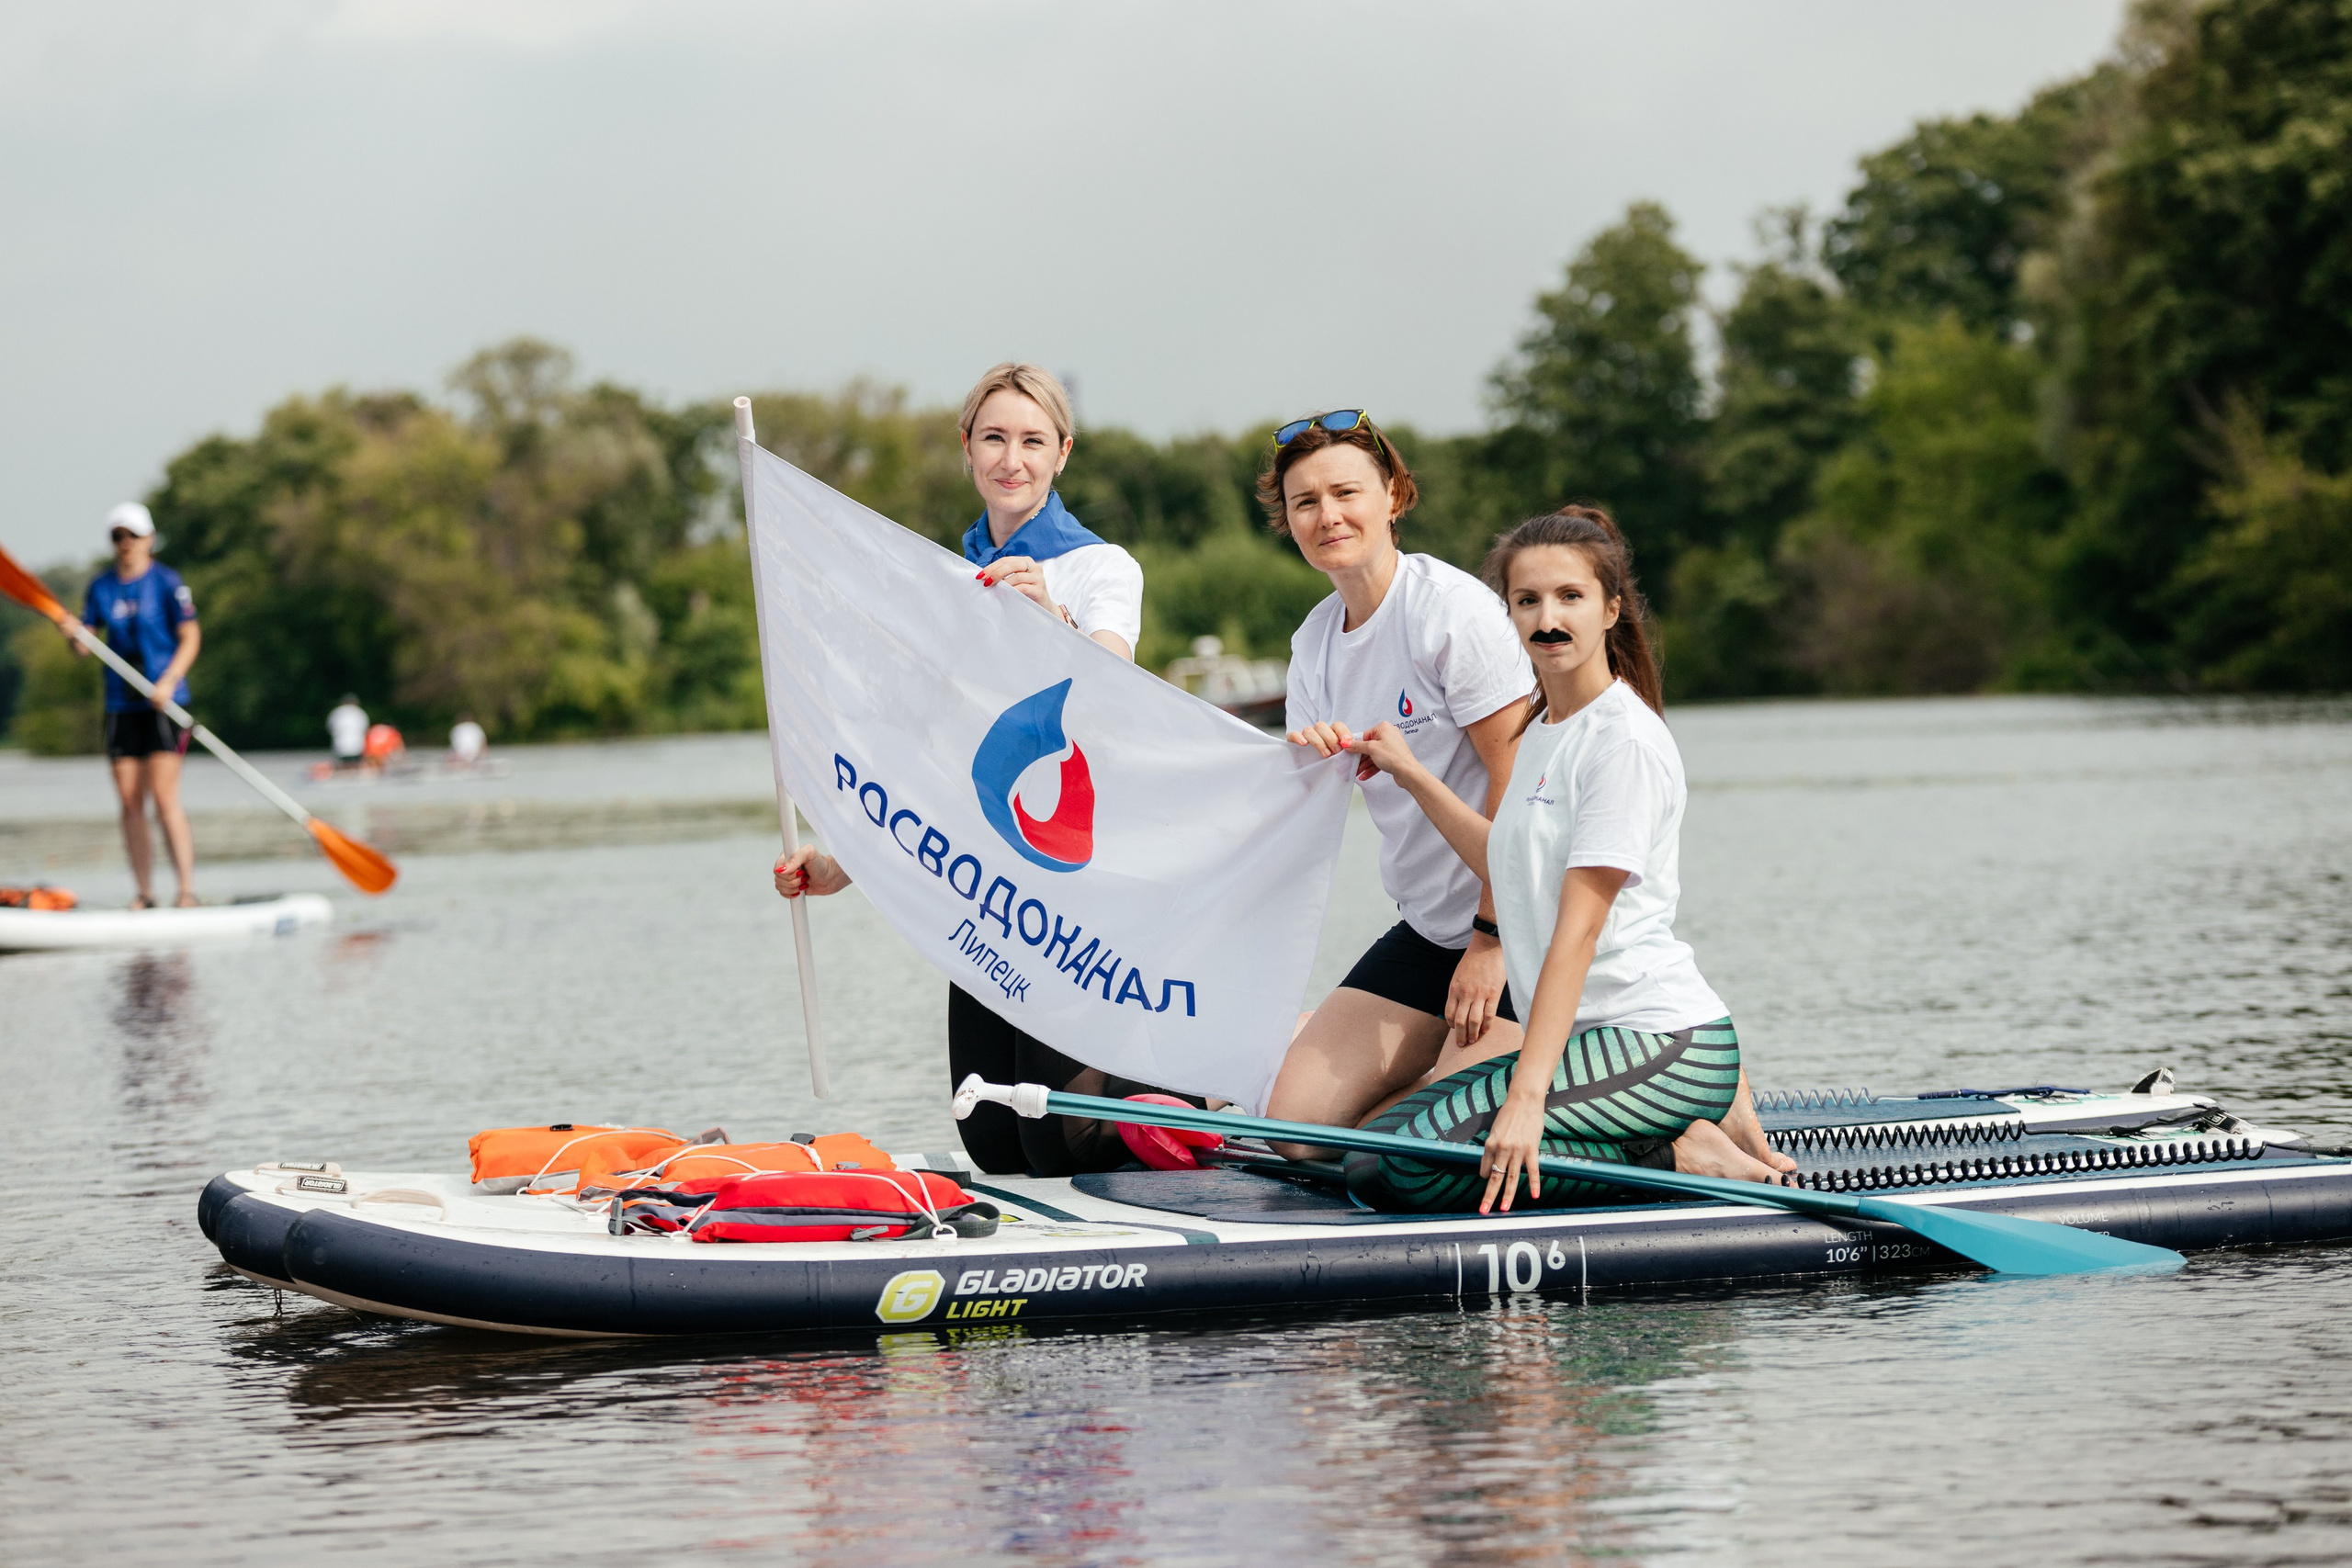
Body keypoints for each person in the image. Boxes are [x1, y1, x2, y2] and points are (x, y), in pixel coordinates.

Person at [771, 363, 1176, 1176]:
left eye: (1032, 441)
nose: (1011, 459)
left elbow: (1112, 696)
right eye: (994, 437)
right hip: (989, 895)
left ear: (1063, 453)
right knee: (991, 1141)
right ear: (967, 448)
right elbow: (925, 754)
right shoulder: (940, 582)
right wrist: (839, 861)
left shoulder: (1102, 568)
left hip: (1074, 883)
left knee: (1055, 1140)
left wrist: (1049, 618)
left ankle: (1191, 1102)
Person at [1341, 507, 1794, 1213]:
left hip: (1662, 1046)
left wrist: (1525, 1096)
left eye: (1569, 597)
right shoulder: (1544, 727)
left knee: (1403, 1172)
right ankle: (1673, 1146)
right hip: (1589, 1047)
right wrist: (1411, 772)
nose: (1547, 618)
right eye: (1528, 601)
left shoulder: (1622, 743)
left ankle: (1674, 1153)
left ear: (1611, 608)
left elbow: (1575, 935)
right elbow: (1506, 859)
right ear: (1510, 615)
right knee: (1376, 1156)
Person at [1261, 412, 1534, 1154]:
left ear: (1394, 495)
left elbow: (1521, 784)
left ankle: (1651, 1123)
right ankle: (1451, 1064)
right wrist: (1308, 763)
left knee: (1409, 1147)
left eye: (1347, 492)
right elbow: (1301, 812)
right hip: (1428, 931)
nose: (1328, 516)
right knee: (1293, 1133)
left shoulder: (1450, 614)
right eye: (1305, 502)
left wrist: (1491, 940)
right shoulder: (1314, 641)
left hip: (1522, 930)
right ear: (1286, 520)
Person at [62, 503, 200, 909]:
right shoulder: (101, 587)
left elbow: (190, 637)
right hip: (121, 704)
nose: (126, 544)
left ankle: (186, 891)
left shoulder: (167, 582)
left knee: (163, 795)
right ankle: (145, 892)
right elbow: (83, 648)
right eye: (118, 537)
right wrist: (72, 632)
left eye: (133, 536)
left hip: (164, 704)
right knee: (129, 802)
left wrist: (170, 680)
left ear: (149, 539)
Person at [327, 695, 368, 768]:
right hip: (357, 743)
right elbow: (364, 727)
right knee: (355, 764)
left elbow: (331, 727)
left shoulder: (337, 712)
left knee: (343, 764)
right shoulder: (359, 712)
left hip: (340, 744)